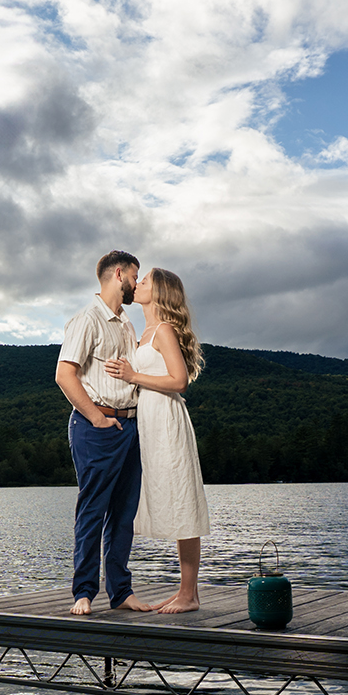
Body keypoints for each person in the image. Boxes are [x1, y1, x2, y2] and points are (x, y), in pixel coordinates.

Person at [105, 267, 209, 614]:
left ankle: (189, 594)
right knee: (170, 498)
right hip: (147, 421)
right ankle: (185, 591)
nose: (139, 283)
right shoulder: (143, 331)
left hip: (166, 419)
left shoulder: (163, 330)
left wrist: (133, 374)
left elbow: (179, 381)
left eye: (146, 280)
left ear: (160, 292)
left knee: (182, 498)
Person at [54, 250, 146, 616]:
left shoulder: (125, 323)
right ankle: (84, 593)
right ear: (119, 274)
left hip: (129, 425)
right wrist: (96, 418)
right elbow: (64, 374)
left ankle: (121, 592)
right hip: (97, 426)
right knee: (93, 511)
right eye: (135, 277)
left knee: (124, 514)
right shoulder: (87, 319)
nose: (137, 285)